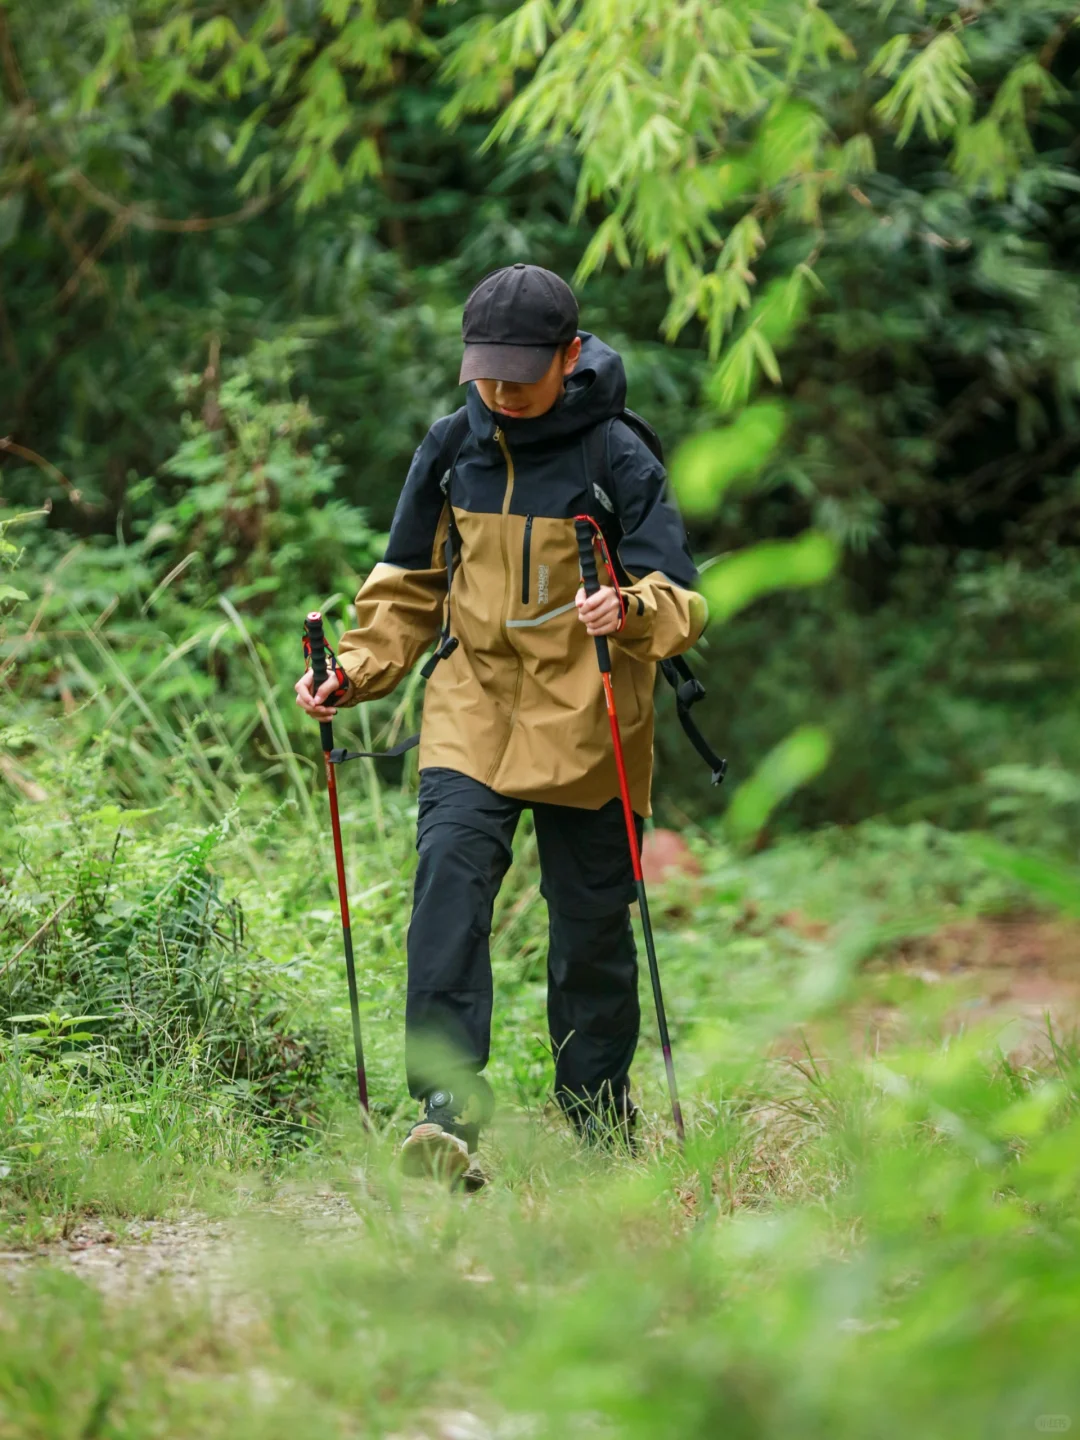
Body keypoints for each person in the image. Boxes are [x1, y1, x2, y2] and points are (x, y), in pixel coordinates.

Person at [295, 262, 706, 1181]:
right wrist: (350, 672)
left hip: (592, 718)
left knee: (591, 933)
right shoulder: (452, 449)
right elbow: (405, 593)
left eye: (521, 372)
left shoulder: (617, 456)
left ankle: (599, 1123)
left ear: (569, 356)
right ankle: (447, 1113)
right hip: (473, 709)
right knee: (447, 884)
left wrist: (630, 611)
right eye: (486, 371)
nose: (501, 391)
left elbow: (680, 597)